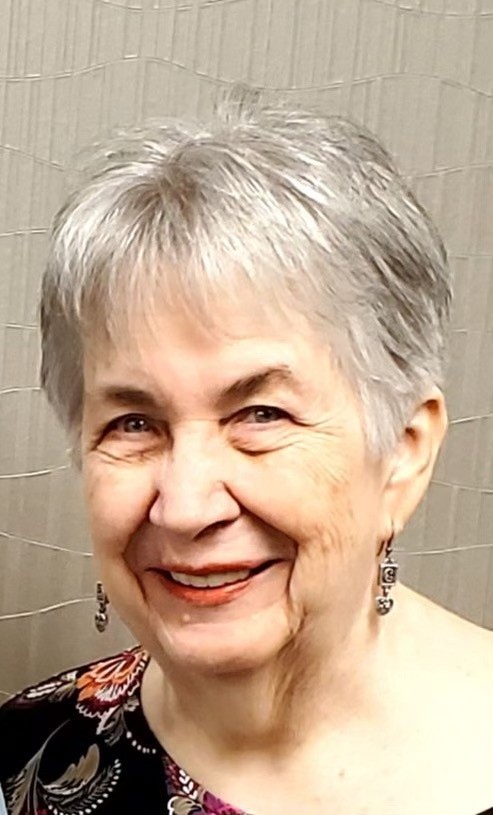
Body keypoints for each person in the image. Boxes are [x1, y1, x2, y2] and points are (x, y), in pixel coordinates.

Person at [0, 89, 492, 815]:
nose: (186, 505)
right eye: (134, 424)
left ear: (402, 454)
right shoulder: (22, 764)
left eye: (261, 414)